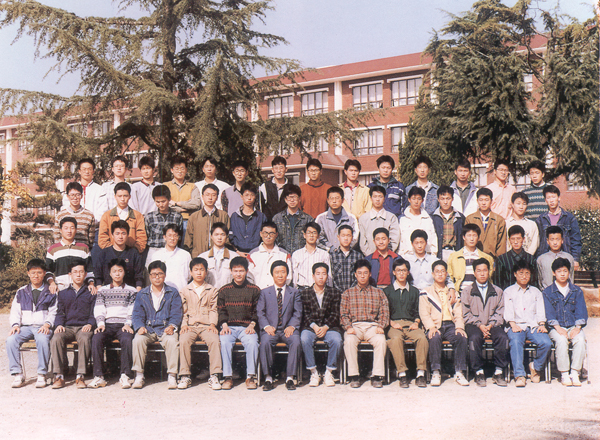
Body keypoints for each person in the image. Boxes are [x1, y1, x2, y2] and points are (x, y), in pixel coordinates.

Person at [131, 260, 183, 389]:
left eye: (160, 274)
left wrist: (172, 326)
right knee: (138, 340)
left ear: (165, 275)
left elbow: (176, 312)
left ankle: (172, 375)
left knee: (172, 341)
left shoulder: (173, 292)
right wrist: (140, 327)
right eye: (154, 274)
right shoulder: (142, 293)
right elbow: (137, 314)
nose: (157, 277)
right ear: (149, 276)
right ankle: (139, 375)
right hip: (148, 328)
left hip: (165, 328)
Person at [6, 259, 57, 389]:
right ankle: (18, 374)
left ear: (44, 273)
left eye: (39, 272)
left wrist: (47, 324)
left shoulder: (51, 291)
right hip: (26, 327)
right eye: (33, 273)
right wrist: (15, 325)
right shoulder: (21, 291)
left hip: (42, 326)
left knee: (42, 339)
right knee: (11, 339)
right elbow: (15, 311)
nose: (36, 276)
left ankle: (42, 374)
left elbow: (54, 312)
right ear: (28, 273)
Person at [419, 260, 469, 387]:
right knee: (434, 337)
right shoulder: (426, 292)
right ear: (432, 274)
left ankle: (459, 372)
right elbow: (424, 313)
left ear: (446, 274)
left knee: (461, 337)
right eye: (437, 272)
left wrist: (459, 327)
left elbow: (458, 312)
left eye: (442, 271)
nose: (440, 274)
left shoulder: (453, 293)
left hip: (450, 325)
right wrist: (431, 327)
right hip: (435, 325)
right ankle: (436, 372)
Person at [341, 259, 389, 388]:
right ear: (355, 275)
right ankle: (354, 376)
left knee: (380, 340)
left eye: (365, 273)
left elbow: (384, 312)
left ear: (370, 274)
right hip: (355, 326)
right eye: (359, 273)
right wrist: (348, 327)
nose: (362, 276)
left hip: (372, 326)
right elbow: (343, 314)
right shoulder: (347, 293)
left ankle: (377, 376)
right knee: (349, 341)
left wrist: (381, 326)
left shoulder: (379, 293)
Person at [89, 258, 137, 389]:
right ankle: (99, 376)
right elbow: (99, 308)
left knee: (127, 339)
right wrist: (100, 324)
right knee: (97, 338)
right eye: (114, 271)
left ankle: (125, 375)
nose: (117, 274)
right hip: (107, 325)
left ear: (124, 272)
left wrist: (128, 324)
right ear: (110, 273)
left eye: (120, 271)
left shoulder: (132, 290)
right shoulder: (102, 290)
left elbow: (132, 309)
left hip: (123, 325)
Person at [461, 258, 509, 387]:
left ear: (489, 271)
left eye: (485, 270)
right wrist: (480, 325)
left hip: (492, 324)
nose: (482, 273)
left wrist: (490, 325)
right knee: (474, 338)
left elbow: (500, 312)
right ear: (474, 273)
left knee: (502, 337)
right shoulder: (467, 291)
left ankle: (498, 371)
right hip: (474, 325)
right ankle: (478, 371)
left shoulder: (498, 291)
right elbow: (466, 313)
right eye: (479, 271)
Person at [504, 259, 551, 387]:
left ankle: (535, 367)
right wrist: (513, 324)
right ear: (515, 274)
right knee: (515, 342)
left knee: (546, 343)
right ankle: (519, 375)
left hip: (533, 326)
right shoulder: (508, 291)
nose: (524, 276)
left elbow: (540, 310)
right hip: (516, 325)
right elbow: (508, 310)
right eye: (521, 273)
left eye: (527, 273)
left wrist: (542, 324)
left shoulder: (536, 292)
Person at [50, 259, 96, 389]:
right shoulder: (63, 293)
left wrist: (90, 324)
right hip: (68, 327)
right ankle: (59, 376)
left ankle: (80, 376)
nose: (78, 275)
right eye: (75, 272)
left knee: (85, 338)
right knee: (56, 338)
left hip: (83, 327)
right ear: (70, 274)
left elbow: (95, 312)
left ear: (85, 274)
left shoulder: (91, 293)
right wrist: (59, 324)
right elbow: (60, 312)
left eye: (81, 272)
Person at [177, 257, 222, 390]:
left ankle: (215, 375)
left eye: (201, 269)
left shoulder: (212, 290)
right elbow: (183, 311)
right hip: (190, 326)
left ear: (206, 272)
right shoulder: (185, 290)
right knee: (183, 341)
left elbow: (214, 309)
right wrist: (184, 325)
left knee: (214, 341)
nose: (199, 272)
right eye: (195, 270)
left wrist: (213, 324)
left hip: (206, 326)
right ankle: (185, 375)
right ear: (190, 272)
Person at [257, 261, 303, 391]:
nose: (280, 275)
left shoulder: (294, 292)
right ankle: (268, 378)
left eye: (283, 272)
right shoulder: (264, 292)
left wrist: (292, 326)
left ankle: (290, 377)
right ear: (272, 274)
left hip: (287, 329)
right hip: (271, 329)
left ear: (287, 274)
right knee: (265, 342)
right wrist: (266, 326)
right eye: (277, 272)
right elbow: (260, 312)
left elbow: (298, 312)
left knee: (296, 341)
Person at [543, 258, 588, 387]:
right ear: (553, 273)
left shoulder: (576, 291)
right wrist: (558, 328)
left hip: (573, 325)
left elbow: (581, 310)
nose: (562, 274)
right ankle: (564, 373)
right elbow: (548, 313)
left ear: (569, 272)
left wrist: (577, 328)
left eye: (565, 271)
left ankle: (575, 372)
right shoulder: (547, 292)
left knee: (580, 340)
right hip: (555, 327)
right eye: (559, 271)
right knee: (561, 340)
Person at [218, 257, 261, 390]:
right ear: (231, 271)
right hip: (229, 326)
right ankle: (227, 377)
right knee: (224, 342)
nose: (238, 274)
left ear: (247, 271)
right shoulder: (224, 290)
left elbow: (257, 310)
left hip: (247, 327)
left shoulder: (254, 290)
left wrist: (252, 324)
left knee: (252, 342)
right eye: (235, 271)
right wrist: (224, 325)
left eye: (241, 271)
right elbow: (221, 310)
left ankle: (250, 376)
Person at [384, 258, 428, 388]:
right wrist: (391, 323)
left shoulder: (414, 291)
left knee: (422, 338)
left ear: (408, 272)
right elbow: (384, 312)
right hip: (394, 325)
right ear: (394, 272)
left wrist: (416, 322)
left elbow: (418, 311)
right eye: (398, 270)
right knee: (395, 339)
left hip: (411, 324)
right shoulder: (387, 291)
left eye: (404, 270)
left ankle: (420, 374)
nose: (401, 273)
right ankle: (402, 374)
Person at [300, 263, 342, 387]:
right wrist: (314, 326)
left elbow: (335, 314)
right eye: (318, 274)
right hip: (311, 327)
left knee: (337, 340)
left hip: (329, 327)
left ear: (327, 276)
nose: (321, 277)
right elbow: (305, 314)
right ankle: (314, 372)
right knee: (304, 339)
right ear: (313, 276)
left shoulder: (334, 292)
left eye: (324, 274)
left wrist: (325, 327)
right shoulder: (305, 293)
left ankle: (329, 372)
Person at [534, 185, 581, 267]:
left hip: (565, 258)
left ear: (559, 198)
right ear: (545, 200)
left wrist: (575, 259)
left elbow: (576, 240)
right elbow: (537, 241)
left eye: (553, 197)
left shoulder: (569, 218)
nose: (551, 200)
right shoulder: (541, 219)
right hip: (546, 259)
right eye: (548, 198)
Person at [46, 216, 95, 294]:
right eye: (66, 228)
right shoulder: (53, 249)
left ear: (76, 230)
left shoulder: (83, 248)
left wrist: (91, 284)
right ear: (60, 230)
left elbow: (89, 271)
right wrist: (52, 283)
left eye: (72, 228)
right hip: (60, 289)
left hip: (80, 290)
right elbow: (48, 271)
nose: (69, 231)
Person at [98, 182, 148, 254]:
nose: (122, 199)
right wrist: (114, 251)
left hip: (132, 255)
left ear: (130, 196)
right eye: (119, 196)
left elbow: (142, 238)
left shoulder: (138, 216)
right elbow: (102, 238)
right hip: (111, 255)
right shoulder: (106, 216)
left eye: (125, 196)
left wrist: (132, 252)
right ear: (115, 197)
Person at [94, 220, 144, 291]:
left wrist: (137, 292)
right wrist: (100, 291)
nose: (120, 237)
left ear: (128, 235)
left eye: (123, 233)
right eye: (117, 233)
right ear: (112, 235)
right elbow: (98, 276)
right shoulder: (104, 253)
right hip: (108, 292)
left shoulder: (133, 253)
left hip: (129, 292)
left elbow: (139, 276)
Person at [184, 183, 230, 257]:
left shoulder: (223, 215)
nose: (210, 198)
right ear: (202, 196)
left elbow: (227, 237)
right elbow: (188, 239)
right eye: (207, 195)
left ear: (217, 197)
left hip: (218, 254)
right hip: (198, 254)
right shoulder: (194, 216)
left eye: (213, 195)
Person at [404, 230, 457, 294]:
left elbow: (447, 279)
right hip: (413, 295)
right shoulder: (407, 262)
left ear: (426, 243)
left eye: (422, 242)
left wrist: (451, 289)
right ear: (412, 244)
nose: (419, 246)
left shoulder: (435, 261)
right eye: (416, 243)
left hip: (432, 294)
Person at [447, 224, 495, 293]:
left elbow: (489, 279)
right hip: (460, 293)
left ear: (478, 238)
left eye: (474, 235)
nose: (472, 239)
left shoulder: (487, 258)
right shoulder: (454, 257)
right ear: (464, 237)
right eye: (469, 236)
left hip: (479, 294)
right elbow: (449, 278)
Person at [62, 158, 108, 228]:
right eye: (84, 169)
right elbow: (66, 207)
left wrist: (88, 222)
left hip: (94, 228)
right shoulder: (72, 188)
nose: (87, 172)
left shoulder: (100, 189)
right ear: (79, 171)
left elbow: (102, 212)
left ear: (93, 171)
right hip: (73, 228)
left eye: (89, 169)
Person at [145, 185, 184, 264]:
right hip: (154, 250)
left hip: (172, 251)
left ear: (169, 199)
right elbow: (147, 235)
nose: (161, 205)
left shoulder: (177, 217)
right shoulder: (149, 217)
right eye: (157, 202)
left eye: (163, 201)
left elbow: (179, 236)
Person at [164, 156, 201, 239]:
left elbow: (196, 204)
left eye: (182, 168)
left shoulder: (192, 186)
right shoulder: (166, 186)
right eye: (177, 168)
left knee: (186, 245)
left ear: (186, 170)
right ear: (172, 170)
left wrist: (176, 203)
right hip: (170, 221)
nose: (180, 171)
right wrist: (183, 209)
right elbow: (165, 205)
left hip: (188, 222)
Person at [148, 224, 192, 293]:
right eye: (169, 235)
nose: (172, 238)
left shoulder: (185, 255)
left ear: (179, 237)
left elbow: (189, 276)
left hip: (182, 293)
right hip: (162, 294)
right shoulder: (157, 255)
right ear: (164, 237)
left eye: (175, 235)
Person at [465, 187, 507, 258]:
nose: (483, 203)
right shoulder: (470, 219)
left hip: (492, 258)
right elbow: (466, 241)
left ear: (491, 201)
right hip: (473, 257)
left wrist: (499, 261)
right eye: (481, 200)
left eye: (486, 200)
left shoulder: (499, 220)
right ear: (477, 201)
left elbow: (501, 245)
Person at [248, 222, 292, 289]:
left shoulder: (284, 255)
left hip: (277, 292)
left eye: (271, 233)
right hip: (257, 292)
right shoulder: (253, 255)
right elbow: (249, 276)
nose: (268, 236)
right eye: (265, 233)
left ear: (276, 235)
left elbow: (288, 277)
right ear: (261, 234)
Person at [358, 185, 399, 255]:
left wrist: (386, 255)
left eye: (380, 196)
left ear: (384, 198)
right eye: (375, 196)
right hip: (369, 257)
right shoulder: (363, 218)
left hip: (387, 256)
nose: (377, 199)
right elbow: (363, 242)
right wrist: (371, 257)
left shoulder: (391, 217)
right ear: (371, 198)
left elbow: (394, 240)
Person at [273, 184, 314, 254]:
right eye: (289, 197)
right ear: (285, 199)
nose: (292, 200)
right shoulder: (277, 218)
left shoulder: (308, 219)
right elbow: (274, 240)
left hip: (302, 255)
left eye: (294, 197)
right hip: (282, 255)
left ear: (299, 199)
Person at [316, 186, 359, 251]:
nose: (334, 201)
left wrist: (344, 249)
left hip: (346, 253)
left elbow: (355, 238)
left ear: (343, 200)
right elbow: (318, 237)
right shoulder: (321, 218)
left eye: (337, 198)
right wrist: (331, 249)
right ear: (327, 200)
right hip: (326, 253)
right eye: (331, 198)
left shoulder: (351, 218)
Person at [229, 183, 267, 256]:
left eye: (252, 195)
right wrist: (236, 251)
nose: (249, 198)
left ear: (255, 196)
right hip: (237, 254)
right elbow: (230, 237)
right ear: (241, 197)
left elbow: (265, 237)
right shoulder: (234, 216)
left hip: (257, 254)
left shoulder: (261, 217)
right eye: (246, 195)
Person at [494, 225, 537, 290]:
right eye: (513, 239)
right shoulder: (501, 260)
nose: (516, 242)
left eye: (518, 238)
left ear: (523, 239)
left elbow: (534, 282)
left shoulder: (531, 259)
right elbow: (498, 283)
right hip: (507, 294)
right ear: (509, 240)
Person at [54, 182, 96, 249]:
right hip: (64, 252)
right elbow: (57, 238)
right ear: (67, 196)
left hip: (82, 252)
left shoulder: (89, 216)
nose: (75, 198)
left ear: (82, 196)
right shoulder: (60, 216)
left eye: (77, 194)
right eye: (72, 195)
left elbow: (91, 240)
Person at [398, 186, 438, 256]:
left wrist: (433, 257)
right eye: (413, 199)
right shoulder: (403, 220)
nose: (416, 202)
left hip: (426, 257)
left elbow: (433, 240)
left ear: (422, 200)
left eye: (419, 199)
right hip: (408, 256)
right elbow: (400, 242)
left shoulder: (428, 219)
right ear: (409, 199)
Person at [291, 222, 331, 290]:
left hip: (319, 289)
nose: (311, 235)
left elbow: (329, 275)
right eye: (309, 232)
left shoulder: (324, 254)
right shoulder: (297, 254)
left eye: (314, 233)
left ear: (318, 236)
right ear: (304, 235)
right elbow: (294, 276)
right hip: (302, 289)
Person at [200, 223, 239, 289]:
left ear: (227, 236)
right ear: (211, 236)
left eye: (222, 234)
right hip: (209, 294)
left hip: (229, 293)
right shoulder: (203, 257)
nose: (219, 238)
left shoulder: (235, 257)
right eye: (216, 235)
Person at [431, 185, 465, 261]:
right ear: (438, 199)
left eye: (448, 198)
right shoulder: (433, 217)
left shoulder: (460, 217)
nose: (445, 202)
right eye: (442, 199)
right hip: (439, 253)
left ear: (452, 199)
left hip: (455, 252)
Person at [536, 226, 575, 290]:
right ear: (547, 241)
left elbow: (571, 278)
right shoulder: (541, 259)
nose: (555, 243)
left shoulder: (569, 258)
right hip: (547, 293)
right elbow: (540, 280)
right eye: (552, 239)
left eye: (558, 239)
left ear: (562, 240)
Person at [329, 225, 364, 292]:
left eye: (348, 235)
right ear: (338, 237)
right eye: (343, 235)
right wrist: (338, 291)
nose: (346, 238)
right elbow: (331, 277)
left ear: (352, 237)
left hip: (354, 292)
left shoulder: (358, 256)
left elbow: (360, 276)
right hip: (336, 293)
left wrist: (350, 291)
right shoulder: (332, 256)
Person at [259, 155, 292, 220]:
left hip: (286, 224)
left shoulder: (291, 187)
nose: (279, 171)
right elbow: (261, 208)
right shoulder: (264, 187)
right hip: (269, 224)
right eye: (276, 168)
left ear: (286, 169)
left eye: (281, 168)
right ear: (272, 170)